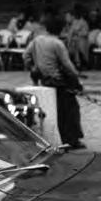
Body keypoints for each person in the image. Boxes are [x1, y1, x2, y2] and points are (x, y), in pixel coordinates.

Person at [23, 14, 85, 148]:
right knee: (70, 110)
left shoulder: (37, 40)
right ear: (61, 29)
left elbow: (26, 55)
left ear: (47, 28)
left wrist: (34, 67)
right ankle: (71, 139)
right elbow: (67, 65)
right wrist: (76, 76)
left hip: (45, 80)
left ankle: (63, 137)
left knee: (56, 110)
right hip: (59, 81)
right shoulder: (57, 43)